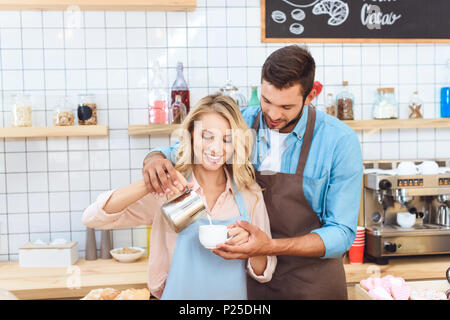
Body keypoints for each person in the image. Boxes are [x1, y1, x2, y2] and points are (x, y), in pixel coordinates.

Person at [142, 45, 363, 300]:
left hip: (312, 285)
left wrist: (269, 246)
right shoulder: (241, 122)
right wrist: (154, 158)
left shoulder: (339, 141)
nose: (273, 114)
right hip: (251, 283)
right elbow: (182, 149)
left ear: (311, 95)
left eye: (286, 106)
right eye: (266, 101)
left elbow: (343, 232)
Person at [82, 93, 276, 300]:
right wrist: (151, 181)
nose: (216, 148)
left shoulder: (248, 193)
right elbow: (93, 217)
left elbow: (265, 272)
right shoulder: (169, 189)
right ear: (191, 134)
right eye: (207, 136)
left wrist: (255, 248)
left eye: (227, 139)